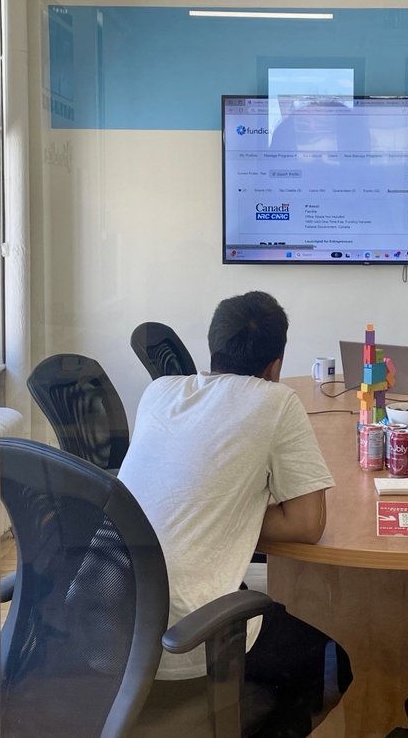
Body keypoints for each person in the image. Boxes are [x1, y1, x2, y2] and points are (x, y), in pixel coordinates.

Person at [118, 291, 352, 736]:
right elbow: (308, 525)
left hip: (103, 624)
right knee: (330, 658)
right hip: (181, 641)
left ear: (212, 347)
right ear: (275, 365)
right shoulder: (275, 401)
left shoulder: (158, 391)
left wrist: (217, 508)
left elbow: (168, 489)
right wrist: (227, 510)